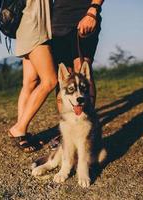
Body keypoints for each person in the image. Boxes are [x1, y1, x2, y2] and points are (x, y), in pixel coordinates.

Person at [49, 0, 104, 149]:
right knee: (65, 77)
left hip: (84, 16)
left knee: (82, 69)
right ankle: (66, 131)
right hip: (57, 24)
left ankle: (89, 127)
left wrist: (93, 10)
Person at [8, 0, 57, 152]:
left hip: (26, 25)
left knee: (30, 82)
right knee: (50, 81)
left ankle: (20, 133)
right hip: (35, 29)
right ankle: (19, 128)